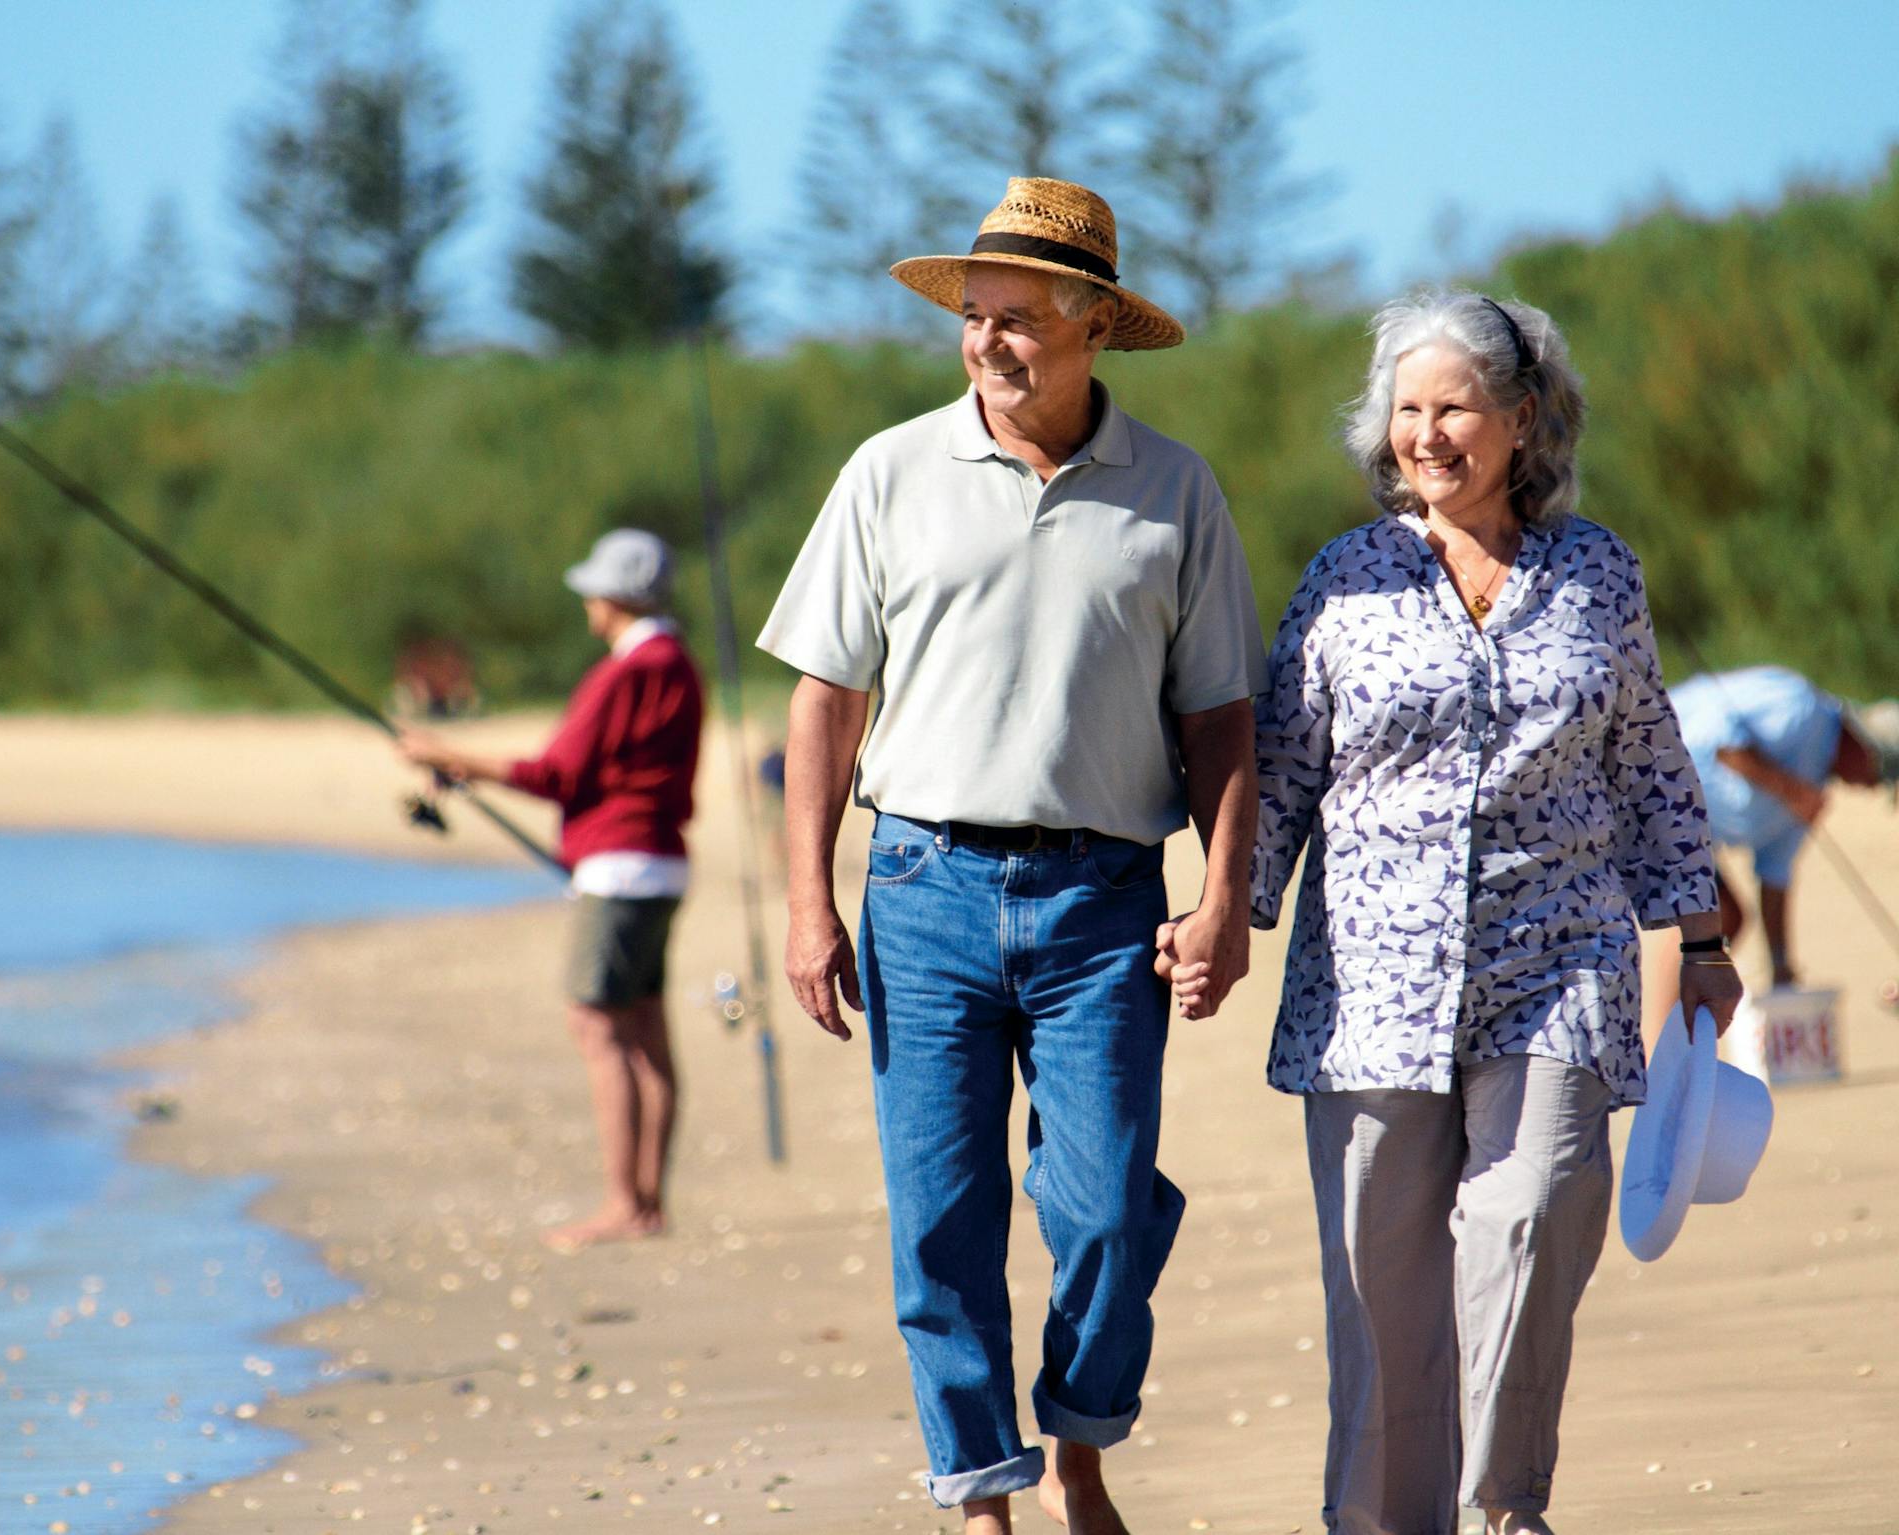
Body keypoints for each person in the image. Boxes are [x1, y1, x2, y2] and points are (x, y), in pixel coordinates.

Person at [1165, 290, 1744, 1535]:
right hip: (1369, 987)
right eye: (1406, 410)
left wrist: (1695, 935)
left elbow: (1646, 755)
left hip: (1562, 964)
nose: (1426, 434)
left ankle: (1503, 1507)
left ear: (1521, 419)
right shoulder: (1342, 578)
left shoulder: (1595, 573)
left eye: (1455, 408)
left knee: (1532, 1213)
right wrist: (1227, 911)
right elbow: (1285, 765)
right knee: (1382, 1290)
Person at [758, 177, 1265, 1535]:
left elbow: (1223, 714)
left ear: (1093, 325)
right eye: (975, 317)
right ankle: (979, 1489)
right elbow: (823, 700)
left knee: (1101, 1208)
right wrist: (806, 901)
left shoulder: (1175, 491)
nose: (989, 343)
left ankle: (1080, 1441)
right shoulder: (887, 473)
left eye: (1020, 318)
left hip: (1106, 903)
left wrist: (1227, 897)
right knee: (943, 1220)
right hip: (920, 885)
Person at [400, 528, 704, 1251]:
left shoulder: (623, 673)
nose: (586, 602)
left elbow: (558, 773)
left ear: (618, 597)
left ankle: (623, 1204)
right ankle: (648, 1200)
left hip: (619, 868)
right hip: (662, 864)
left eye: (595, 591)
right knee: (646, 1027)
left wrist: (450, 757)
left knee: (597, 1025)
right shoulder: (681, 666)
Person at [1668, 666, 1899, 985]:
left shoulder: (1814, 789)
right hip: (1658, 780)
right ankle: (1654, 1020)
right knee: (1709, 923)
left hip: (1689, 831)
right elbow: (1717, 741)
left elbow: (1774, 874)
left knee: (1724, 920)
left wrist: (1780, 965)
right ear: (1868, 749)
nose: (1872, 788)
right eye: (1879, 777)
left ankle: (1672, 1025)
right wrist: (1789, 789)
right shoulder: (1800, 706)